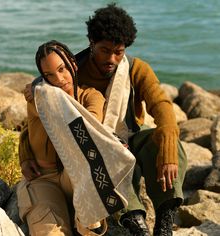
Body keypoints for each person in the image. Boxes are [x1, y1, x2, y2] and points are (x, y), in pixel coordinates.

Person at [22, 4, 187, 236]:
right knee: (103, 155)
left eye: (118, 52)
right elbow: (44, 116)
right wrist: (26, 153)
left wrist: (168, 148)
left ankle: (164, 219)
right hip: (91, 150)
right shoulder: (72, 70)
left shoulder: (135, 69)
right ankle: (134, 220)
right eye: (104, 50)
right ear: (91, 42)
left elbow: (161, 105)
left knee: (165, 140)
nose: (111, 58)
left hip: (129, 140)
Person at [17, 40, 107, 236]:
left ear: (73, 65)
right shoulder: (39, 98)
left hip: (77, 179)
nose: (58, 79)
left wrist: (37, 86)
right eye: (49, 75)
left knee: (90, 161)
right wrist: (24, 156)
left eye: (62, 69)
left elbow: (88, 128)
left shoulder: (92, 97)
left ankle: (89, 227)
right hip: (43, 178)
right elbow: (27, 130)